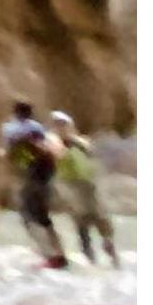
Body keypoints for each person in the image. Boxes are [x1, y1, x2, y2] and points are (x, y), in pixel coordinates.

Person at [0, 96, 66, 267]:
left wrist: (1, 153)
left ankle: (50, 256)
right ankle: (59, 254)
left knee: (27, 216)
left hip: (32, 174)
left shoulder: (10, 128)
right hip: (46, 174)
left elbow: (5, 151)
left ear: (15, 112)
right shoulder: (37, 127)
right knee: (43, 216)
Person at [49, 111, 120, 264]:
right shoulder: (54, 143)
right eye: (58, 125)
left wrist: (74, 141)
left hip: (88, 184)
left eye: (63, 124)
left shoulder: (79, 142)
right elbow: (56, 155)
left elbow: (90, 153)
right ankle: (90, 257)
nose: (61, 128)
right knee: (81, 221)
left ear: (70, 126)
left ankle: (110, 252)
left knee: (100, 218)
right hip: (71, 185)